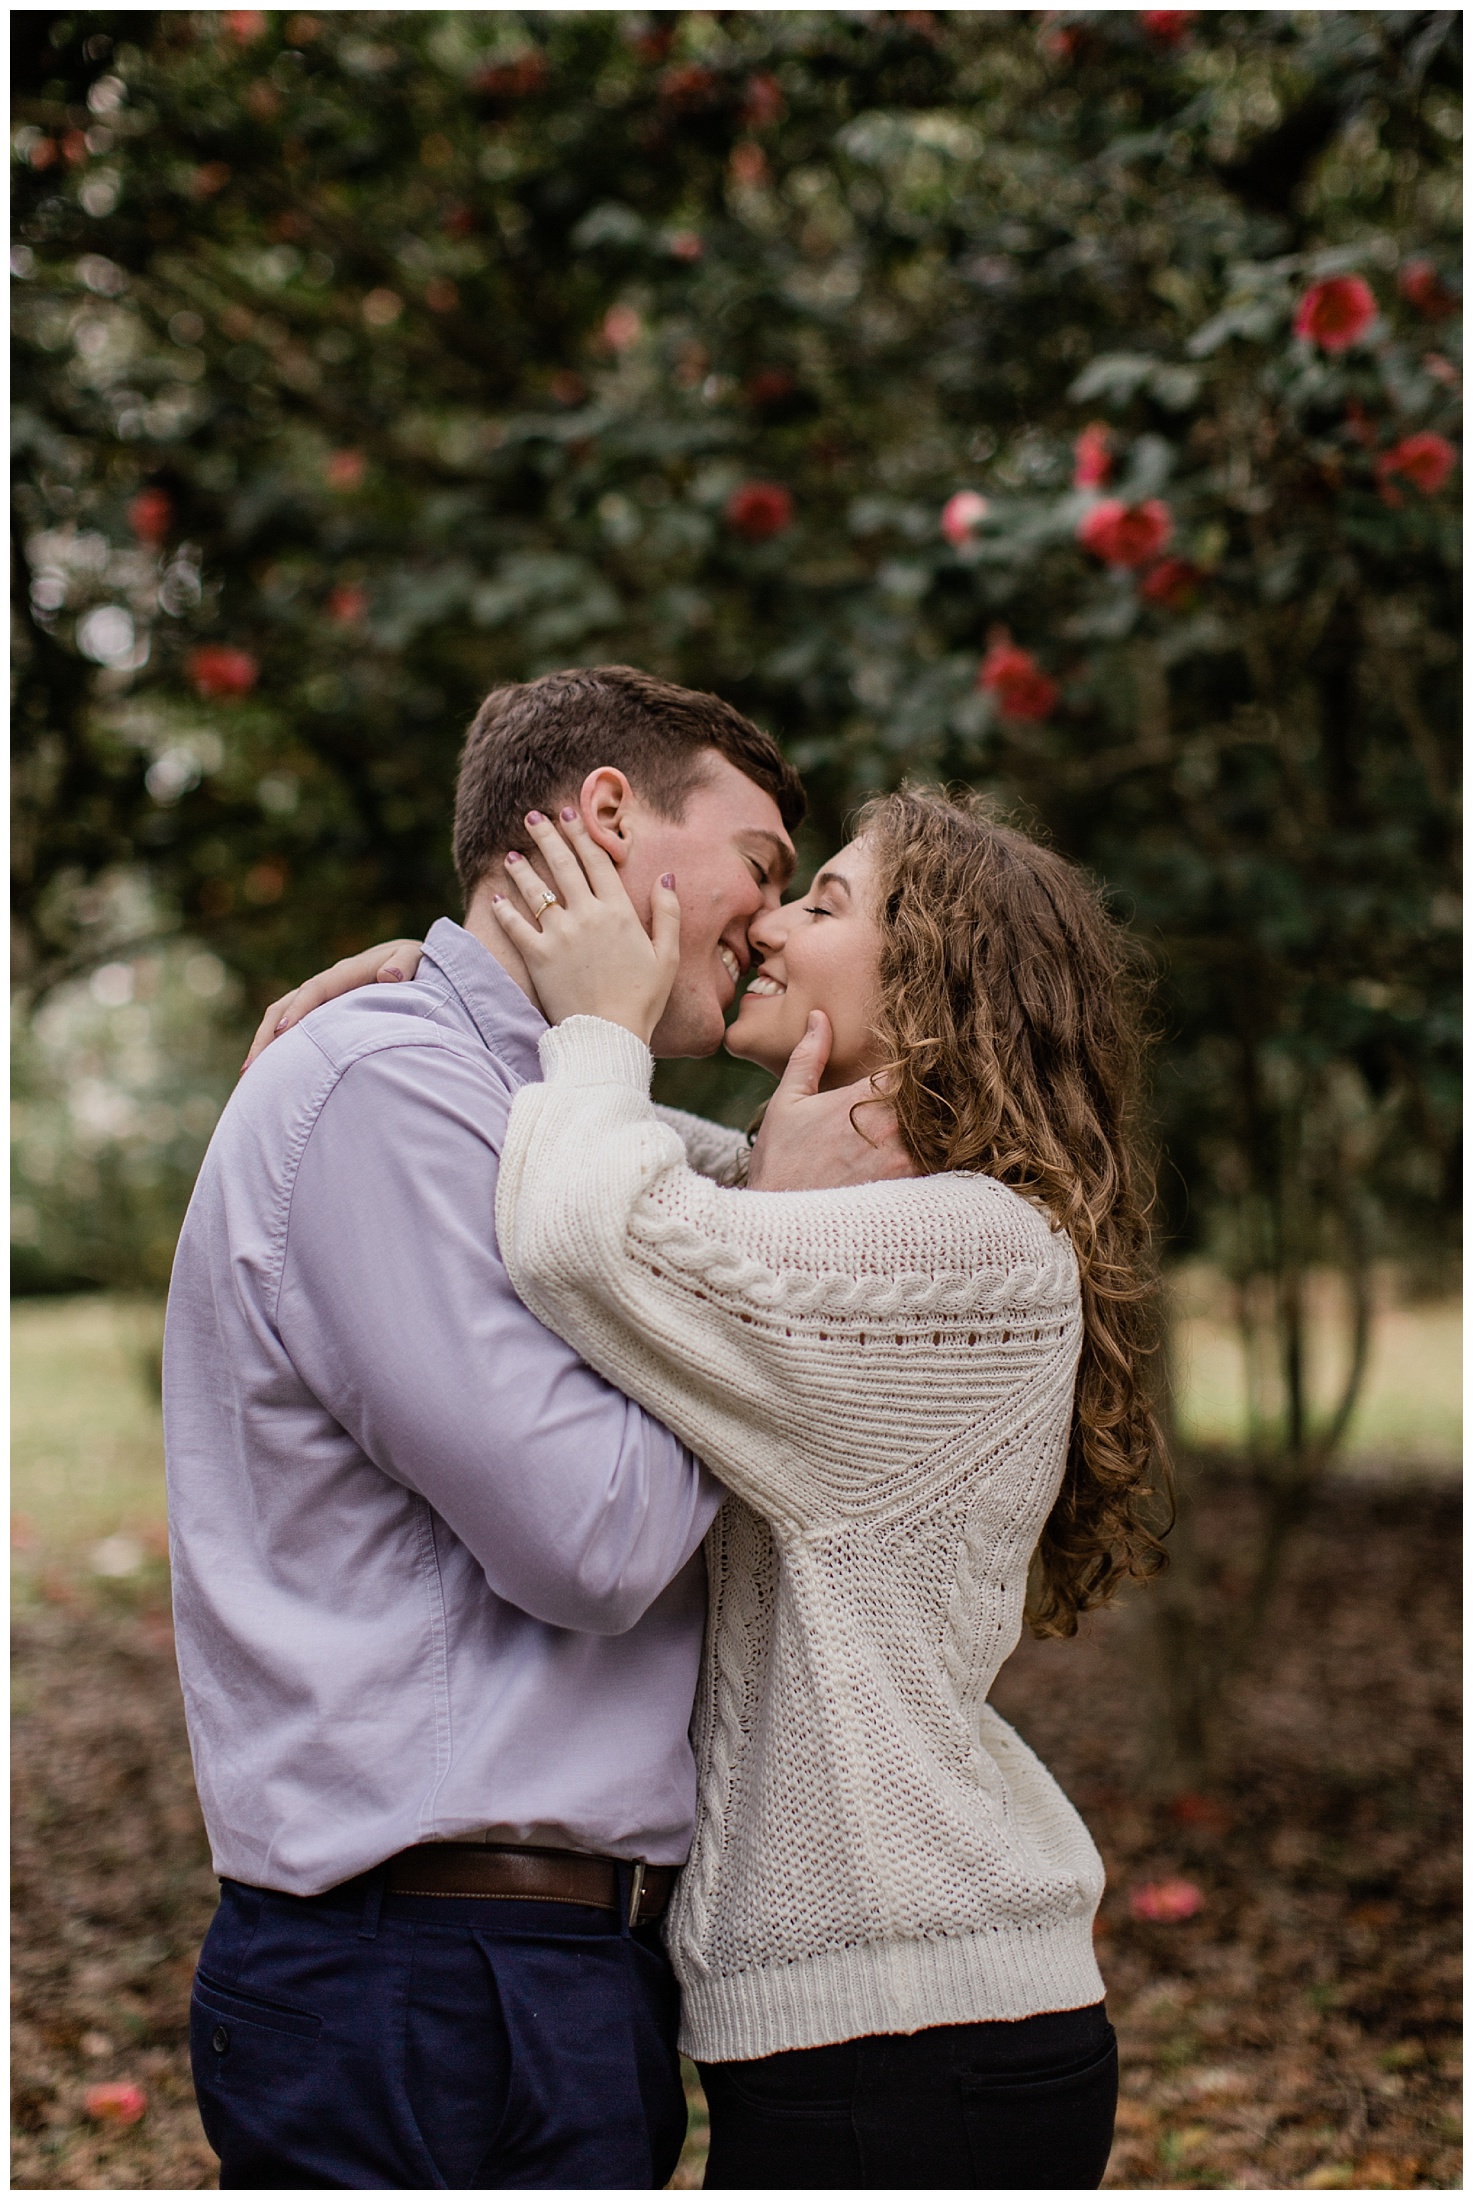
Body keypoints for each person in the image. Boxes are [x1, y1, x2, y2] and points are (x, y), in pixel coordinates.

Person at [261, 781, 1166, 2188]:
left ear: (935, 988)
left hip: (923, 2028)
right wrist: (418, 1005)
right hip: (854, 2027)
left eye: (826, 902)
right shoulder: (834, 1233)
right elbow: (551, 1161)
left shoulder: (973, 1254)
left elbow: (584, 1228)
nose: (772, 923)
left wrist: (597, 1028)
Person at [163, 665, 904, 2191]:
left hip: (556, 1973)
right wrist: (766, 1242)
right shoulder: (384, 1092)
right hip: (418, 1984)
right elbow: (599, 1541)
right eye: (760, 867)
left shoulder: (560, 1130)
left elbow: (706, 1191)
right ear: (609, 816)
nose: (766, 925)